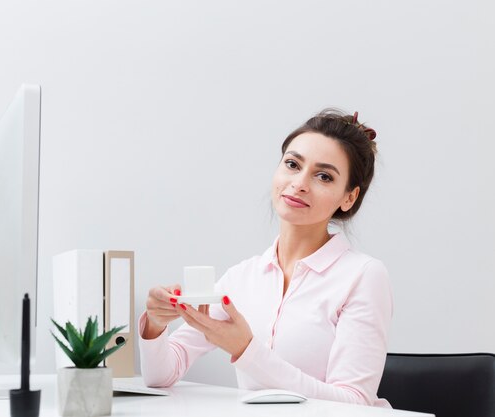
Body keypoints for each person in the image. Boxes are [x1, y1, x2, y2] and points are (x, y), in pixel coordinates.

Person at [138, 109, 392, 408]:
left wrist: (246, 349)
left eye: (323, 176)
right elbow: (161, 376)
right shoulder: (242, 278)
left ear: (348, 198)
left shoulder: (363, 275)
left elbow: (354, 404)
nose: (299, 183)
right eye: (292, 164)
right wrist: (155, 324)